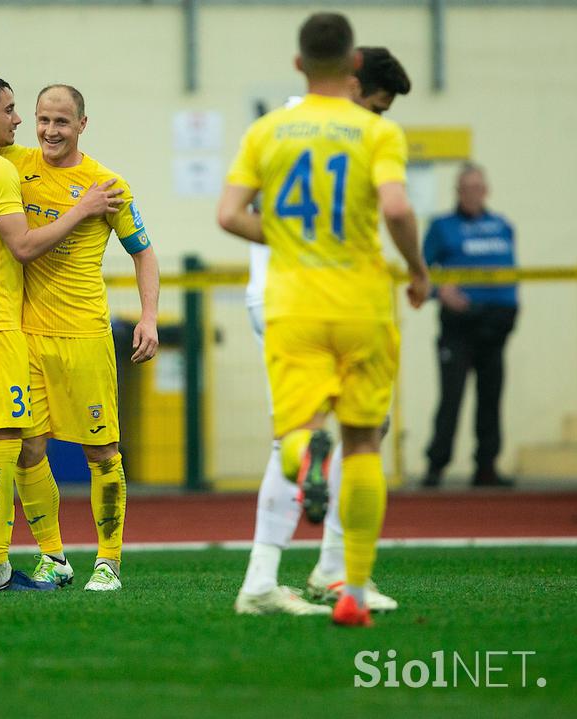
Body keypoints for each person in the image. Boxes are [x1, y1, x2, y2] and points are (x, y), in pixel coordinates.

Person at [217, 12, 429, 627]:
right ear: (355, 68)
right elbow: (395, 204)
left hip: (285, 300)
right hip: (355, 298)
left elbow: (230, 213)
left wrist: (285, 236)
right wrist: (418, 267)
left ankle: (290, 560)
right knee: (365, 438)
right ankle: (345, 585)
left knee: (300, 437)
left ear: (299, 62)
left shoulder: (271, 129)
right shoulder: (367, 133)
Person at [0, 84, 160, 592]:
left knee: (102, 453)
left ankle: (109, 561)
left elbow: (143, 252)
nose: (49, 131)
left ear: (82, 124)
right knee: (27, 448)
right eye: (41, 120)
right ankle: (53, 557)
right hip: (26, 334)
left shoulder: (107, 184)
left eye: (61, 122)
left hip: (84, 336)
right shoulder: (15, 161)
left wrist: (148, 316)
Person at [422, 163, 518, 488]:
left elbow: (511, 272)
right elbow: (419, 269)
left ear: (486, 190)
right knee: (451, 398)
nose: (473, 193)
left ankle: (487, 467)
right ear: (457, 191)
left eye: (478, 187)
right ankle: (436, 467)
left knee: (491, 397)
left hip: (495, 327)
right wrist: (439, 292)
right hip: (458, 327)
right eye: (466, 188)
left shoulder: (502, 226)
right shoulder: (441, 227)